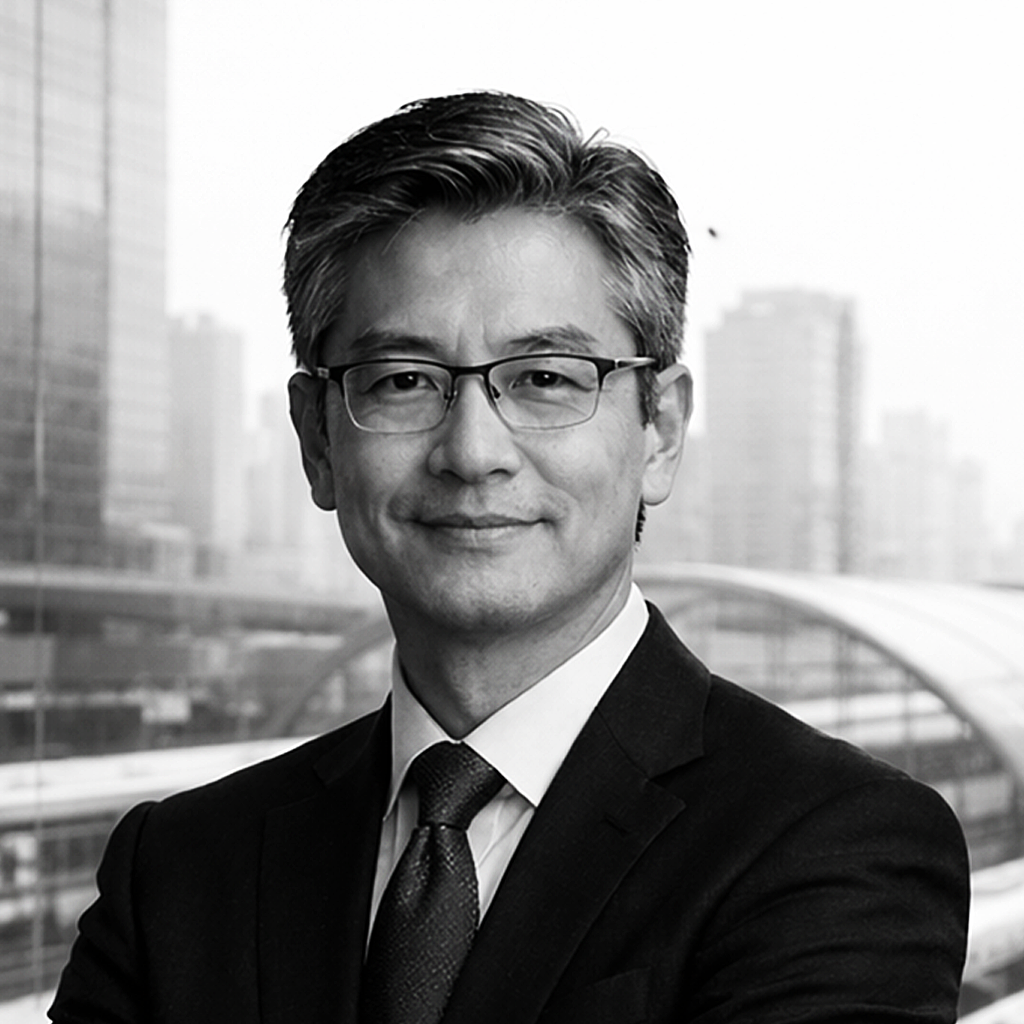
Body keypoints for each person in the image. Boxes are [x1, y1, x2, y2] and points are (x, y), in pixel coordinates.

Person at [50, 92, 969, 1024]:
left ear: (659, 429)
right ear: (317, 440)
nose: (473, 451)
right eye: (404, 380)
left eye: (544, 379)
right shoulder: (178, 865)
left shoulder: (832, 844)